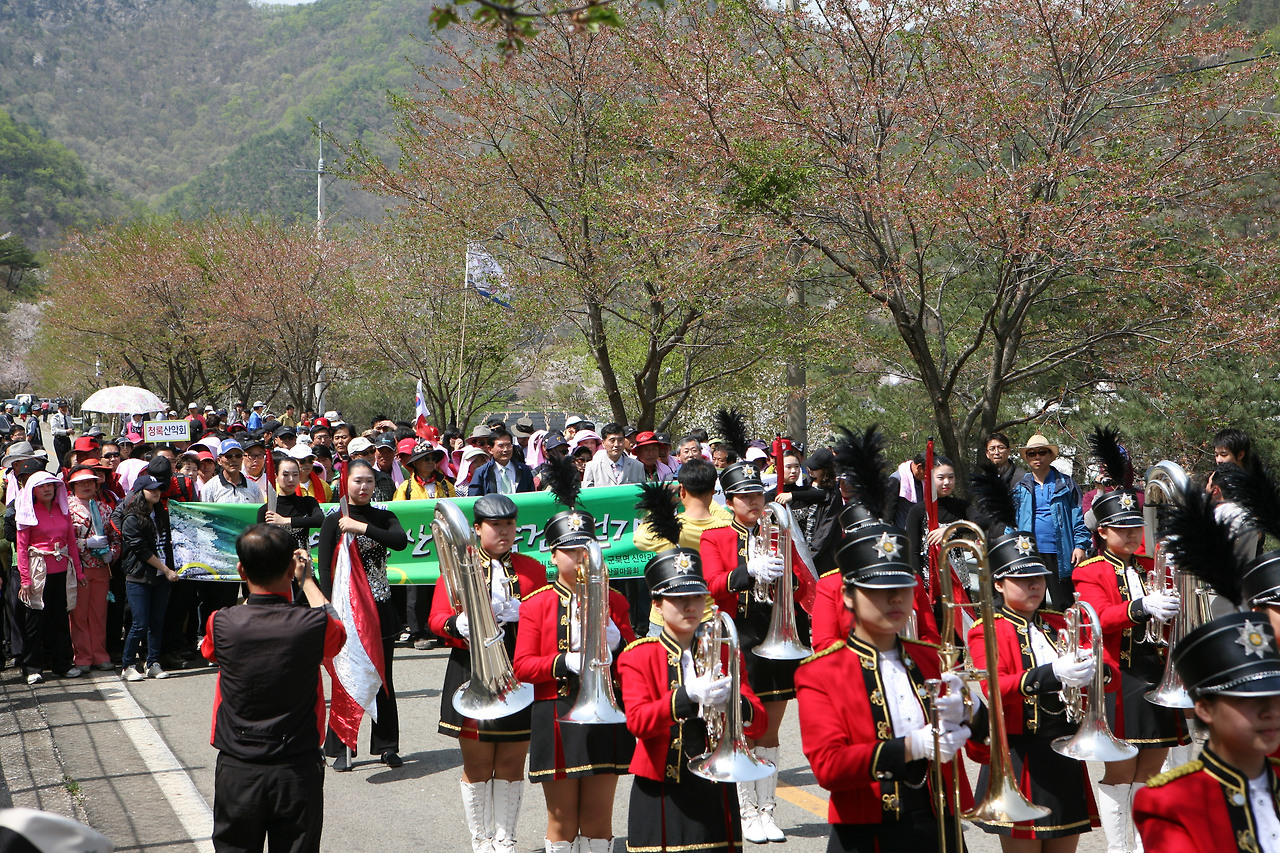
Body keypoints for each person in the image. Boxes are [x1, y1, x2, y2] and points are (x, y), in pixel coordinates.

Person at [795, 522, 976, 853]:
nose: (894, 598)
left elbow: (981, 749)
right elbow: (828, 767)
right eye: (877, 590)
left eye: (904, 587)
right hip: (866, 833)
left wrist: (972, 714)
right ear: (848, 596)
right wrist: (911, 747)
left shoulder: (928, 658)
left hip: (937, 821)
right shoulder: (820, 671)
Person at [1134, 488, 1280, 851]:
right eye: (1246, 699)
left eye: (1276, 696)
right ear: (1204, 708)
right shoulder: (1170, 803)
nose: (1269, 711)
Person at [203, 524, 345, 853]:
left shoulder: (220, 622)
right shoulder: (313, 625)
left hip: (238, 765)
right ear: (290, 569)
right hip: (296, 766)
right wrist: (307, 580)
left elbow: (209, 651)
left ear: (241, 569)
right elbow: (338, 631)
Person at [513, 475, 635, 853]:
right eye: (569, 549)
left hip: (607, 713)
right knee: (562, 820)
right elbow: (522, 666)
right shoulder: (537, 603)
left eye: (586, 547)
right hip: (557, 712)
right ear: (552, 555)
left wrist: (620, 644)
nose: (579, 555)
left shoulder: (613, 599)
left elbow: (634, 661)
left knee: (599, 819)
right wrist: (564, 660)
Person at [619, 547, 767, 852]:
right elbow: (638, 722)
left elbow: (759, 723)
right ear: (657, 604)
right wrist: (687, 696)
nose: (689, 606)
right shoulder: (639, 656)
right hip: (661, 789)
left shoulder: (725, 651)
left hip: (714, 788)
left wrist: (734, 703)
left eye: (697, 597)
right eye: (677, 599)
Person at [700, 459, 814, 843]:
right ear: (730, 501)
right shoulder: (715, 537)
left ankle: (768, 811)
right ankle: (747, 812)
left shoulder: (779, 531)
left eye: (757, 495)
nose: (754, 502)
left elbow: (801, 587)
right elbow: (712, 585)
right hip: (740, 638)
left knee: (772, 729)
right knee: (744, 724)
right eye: (745, 497)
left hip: (777, 634)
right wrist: (748, 571)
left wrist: (788, 574)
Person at [966, 526, 1100, 851]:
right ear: (998, 583)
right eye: (1022, 579)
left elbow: (1099, 665)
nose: (1034, 585)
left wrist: (1097, 671)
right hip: (1019, 756)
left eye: (1038, 577)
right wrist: (1053, 672)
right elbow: (993, 685)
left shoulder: (1058, 623)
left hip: (1064, 751)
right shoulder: (987, 629)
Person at [430, 494, 547, 853]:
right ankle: (481, 841)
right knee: (478, 764)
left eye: (510, 525)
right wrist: (458, 623)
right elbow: (435, 619)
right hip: (472, 671)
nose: (505, 532)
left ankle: (505, 839)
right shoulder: (460, 566)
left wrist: (523, 614)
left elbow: (544, 615)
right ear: (477, 529)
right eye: (496, 526)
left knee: (512, 762)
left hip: (518, 671)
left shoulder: (531, 569)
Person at [1073, 487, 1183, 853]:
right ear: (1102, 531)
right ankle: (1118, 848)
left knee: (1152, 770)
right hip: (1120, 677)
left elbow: (1166, 626)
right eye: (1122, 528)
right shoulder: (1090, 571)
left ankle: (1141, 844)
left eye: (1135, 526)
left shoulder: (1152, 566)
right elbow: (1099, 619)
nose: (1132, 534)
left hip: (1156, 674)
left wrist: (1171, 611)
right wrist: (1141, 607)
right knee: (1121, 771)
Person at [317, 459, 409, 770]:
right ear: (346, 483)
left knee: (384, 679)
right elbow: (325, 568)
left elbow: (400, 541)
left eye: (369, 481)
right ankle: (342, 746)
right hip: (347, 611)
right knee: (347, 676)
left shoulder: (384, 517)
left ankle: (387, 745)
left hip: (381, 609)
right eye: (357, 481)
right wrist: (330, 609)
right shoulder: (333, 519)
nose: (363, 487)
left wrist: (361, 527)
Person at [14, 471, 85, 684]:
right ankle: (32, 667)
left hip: (62, 571)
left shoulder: (61, 511)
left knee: (61, 619)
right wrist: (25, 579)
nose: (47, 489)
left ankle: (62, 665)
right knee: (35, 621)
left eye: (51, 486)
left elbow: (71, 543)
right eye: (42, 486)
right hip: (38, 572)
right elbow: (22, 547)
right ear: (33, 490)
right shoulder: (28, 512)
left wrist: (79, 572)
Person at [1013, 434, 1091, 609]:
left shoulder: (1066, 483)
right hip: (1030, 553)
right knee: (1033, 606)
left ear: (1050, 456)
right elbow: (1012, 521)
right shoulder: (1020, 487)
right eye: (1032, 453)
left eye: (1042, 452)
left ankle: (1066, 636)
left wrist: (1080, 545)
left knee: (1064, 605)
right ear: (1027, 458)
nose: (1037, 457)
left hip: (1061, 553)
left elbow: (1079, 517)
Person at [118, 474, 181, 681]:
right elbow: (141, 550)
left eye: (158, 489)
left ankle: (153, 662)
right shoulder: (132, 518)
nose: (156, 492)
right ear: (140, 492)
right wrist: (165, 569)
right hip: (139, 576)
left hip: (162, 576)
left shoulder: (161, 513)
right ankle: (128, 665)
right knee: (139, 623)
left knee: (157, 622)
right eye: (151, 489)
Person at [67, 466, 117, 673]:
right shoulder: (67, 509)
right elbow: (64, 541)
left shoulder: (105, 509)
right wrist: (85, 544)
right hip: (78, 568)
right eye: (82, 483)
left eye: (91, 482)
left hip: (101, 569)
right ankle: (82, 656)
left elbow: (115, 537)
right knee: (78, 615)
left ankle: (99, 654)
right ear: (73, 486)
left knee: (99, 613)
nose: (87, 486)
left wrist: (112, 553)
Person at [257, 458, 323, 551]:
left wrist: (286, 521)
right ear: (276, 476)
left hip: (302, 561)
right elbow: (261, 544)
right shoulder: (266, 510)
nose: (291, 479)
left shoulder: (308, 502)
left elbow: (319, 520)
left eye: (295, 475)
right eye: (285, 475)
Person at [467, 431, 535, 496]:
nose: (505, 450)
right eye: (501, 446)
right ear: (490, 449)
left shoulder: (524, 470)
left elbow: (531, 496)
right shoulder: (482, 472)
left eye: (508, 445)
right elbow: (475, 499)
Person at [50, 400, 73, 465]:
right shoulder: (56, 418)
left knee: (68, 461)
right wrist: (66, 431)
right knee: (62, 462)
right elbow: (54, 431)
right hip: (59, 441)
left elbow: (71, 426)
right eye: (62, 407)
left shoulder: (68, 417)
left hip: (67, 439)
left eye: (65, 407)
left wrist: (72, 430)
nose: (64, 409)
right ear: (59, 408)